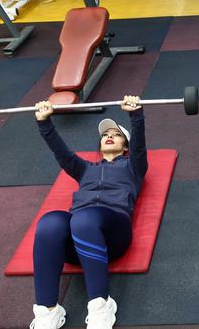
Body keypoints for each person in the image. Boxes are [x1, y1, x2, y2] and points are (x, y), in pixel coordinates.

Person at [29, 95, 147, 329]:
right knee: (49, 223)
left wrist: (136, 115)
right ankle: (47, 310)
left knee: (83, 220)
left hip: (113, 234)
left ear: (126, 145)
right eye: (105, 135)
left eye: (116, 135)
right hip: (78, 239)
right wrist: (44, 123)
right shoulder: (85, 169)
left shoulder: (133, 167)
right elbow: (61, 154)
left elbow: (140, 147)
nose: (109, 136)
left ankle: (101, 305)